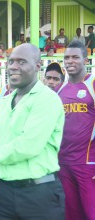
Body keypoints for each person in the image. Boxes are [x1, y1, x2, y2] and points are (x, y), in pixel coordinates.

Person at [0, 43, 66, 220]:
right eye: (11, 61)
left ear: (37, 66)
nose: (14, 67)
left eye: (22, 62)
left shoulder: (47, 99)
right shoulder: (3, 102)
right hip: (4, 193)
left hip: (39, 195)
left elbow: (27, 147)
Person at [57, 40, 95, 220]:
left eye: (75, 57)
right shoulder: (60, 90)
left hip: (88, 164)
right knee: (71, 215)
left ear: (86, 61)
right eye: (66, 58)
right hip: (64, 164)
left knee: (91, 213)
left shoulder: (92, 85)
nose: (70, 61)